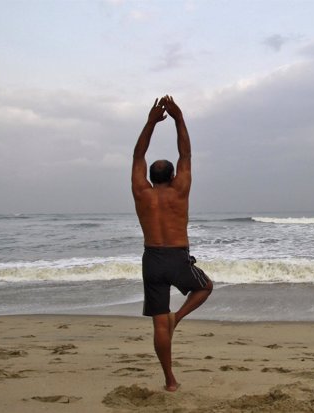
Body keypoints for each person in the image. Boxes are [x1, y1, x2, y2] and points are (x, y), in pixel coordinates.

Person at [132, 95, 213, 391]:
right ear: (174, 175)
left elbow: (137, 156)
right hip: (178, 257)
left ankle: (170, 381)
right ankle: (177, 317)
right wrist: (179, 119)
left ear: (150, 176)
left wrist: (150, 122)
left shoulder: (142, 192)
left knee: (158, 324)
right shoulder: (181, 189)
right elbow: (186, 154)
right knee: (205, 287)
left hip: (152, 259)